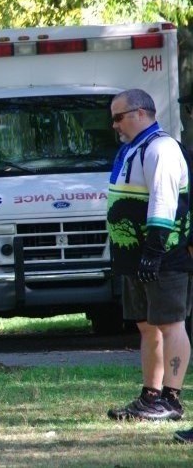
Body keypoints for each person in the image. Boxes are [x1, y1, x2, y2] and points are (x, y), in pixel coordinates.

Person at [105, 88, 192, 422]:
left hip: (163, 257)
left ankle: (171, 399)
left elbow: (163, 202)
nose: (114, 125)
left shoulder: (161, 148)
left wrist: (153, 252)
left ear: (140, 113)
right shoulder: (133, 149)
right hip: (136, 258)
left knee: (171, 325)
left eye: (118, 117)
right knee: (147, 327)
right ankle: (150, 395)